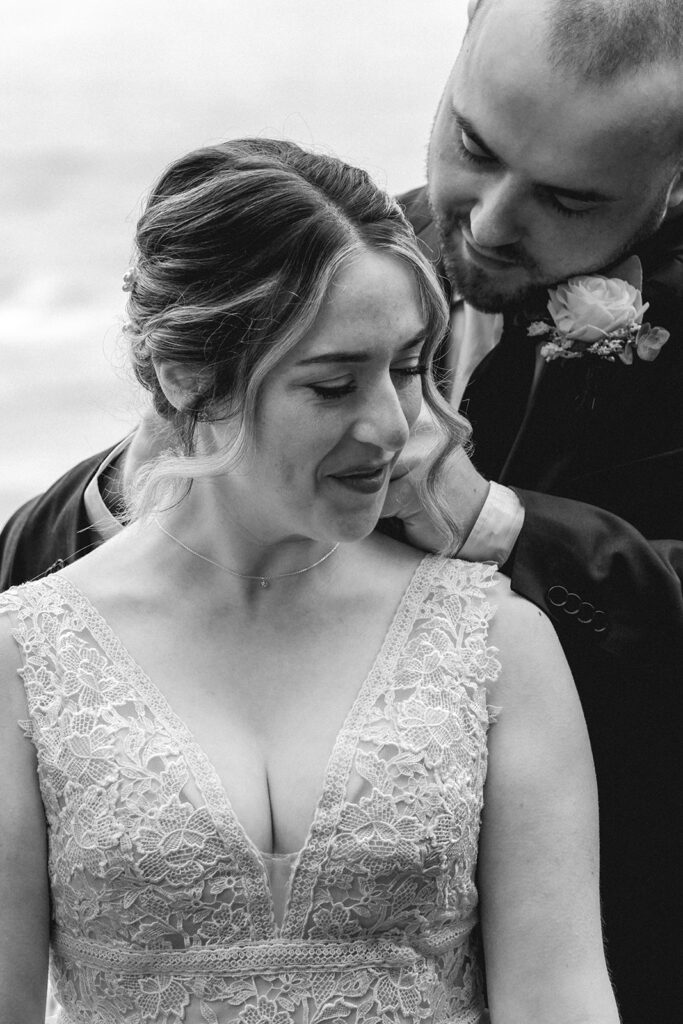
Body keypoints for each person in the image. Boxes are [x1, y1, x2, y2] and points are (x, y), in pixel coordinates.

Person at [0, 0, 680, 1018]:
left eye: (566, 197)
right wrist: (170, 475)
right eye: (473, 146)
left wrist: (494, 525)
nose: (488, 220)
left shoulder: (502, 642)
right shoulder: (349, 255)